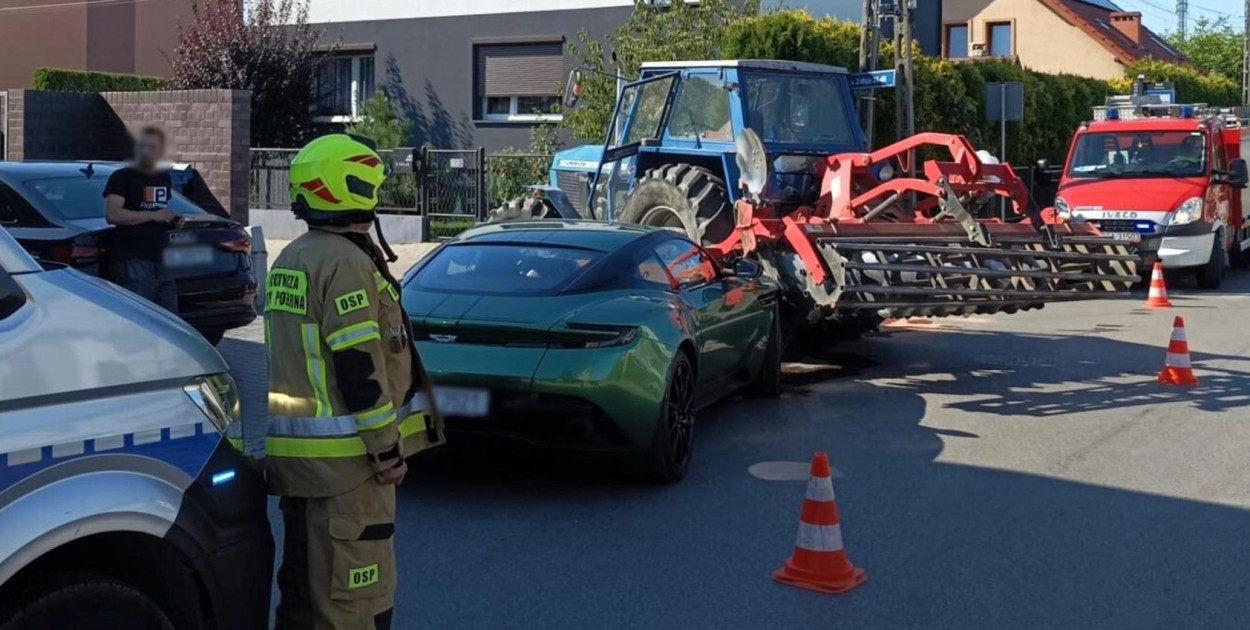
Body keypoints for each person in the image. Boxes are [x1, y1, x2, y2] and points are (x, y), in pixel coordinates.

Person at [265, 134, 445, 630]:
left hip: (304, 469)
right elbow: (359, 367)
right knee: (355, 609)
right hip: (350, 472)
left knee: (305, 602)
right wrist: (387, 453)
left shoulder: (294, 257)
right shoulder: (345, 262)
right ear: (353, 187)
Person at [104, 126, 183, 313]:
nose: (146, 152)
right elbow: (113, 215)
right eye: (142, 147)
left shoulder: (163, 178)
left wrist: (172, 220)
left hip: (161, 259)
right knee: (138, 316)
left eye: (152, 147)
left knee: (169, 318)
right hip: (133, 258)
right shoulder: (122, 177)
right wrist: (153, 215)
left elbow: (157, 210)